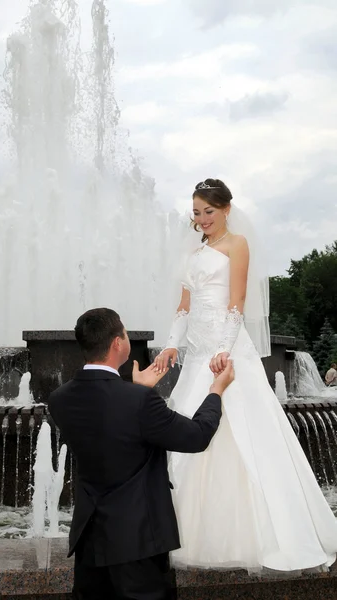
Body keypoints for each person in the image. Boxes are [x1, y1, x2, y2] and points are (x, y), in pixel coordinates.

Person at [154, 178, 337, 574]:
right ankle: (184, 535)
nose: (202, 219)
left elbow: (236, 302)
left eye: (209, 211)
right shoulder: (191, 254)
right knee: (188, 433)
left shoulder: (237, 245)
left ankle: (261, 536)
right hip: (197, 356)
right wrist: (171, 344)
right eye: (197, 213)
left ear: (226, 209)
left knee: (244, 437)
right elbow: (184, 308)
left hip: (227, 350)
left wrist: (224, 349)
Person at [48, 307, 235, 600]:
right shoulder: (139, 401)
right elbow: (197, 436)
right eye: (124, 332)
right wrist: (216, 391)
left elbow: (108, 430)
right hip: (138, 544)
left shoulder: (59, 399)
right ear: (117, 344)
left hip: (89, 543)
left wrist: (135, 389)